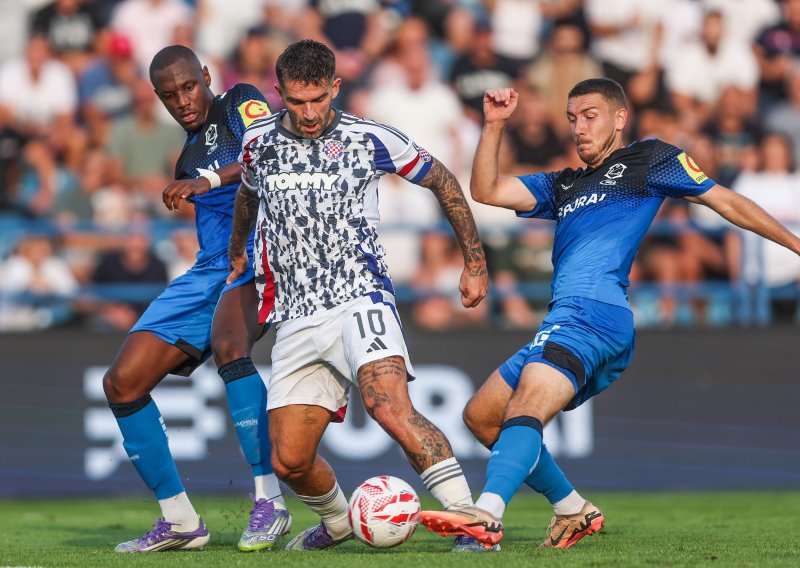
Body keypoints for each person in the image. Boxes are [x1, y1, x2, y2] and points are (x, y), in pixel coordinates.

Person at [419, 78, 800, 548]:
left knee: (527, 405)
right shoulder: (564, 184)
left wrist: (796, 245)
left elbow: (725, 200)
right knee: (481, 418)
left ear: (620, 118)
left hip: (597, 314)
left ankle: (487, 514)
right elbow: (487, 190)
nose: (579, 128)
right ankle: (572, 508)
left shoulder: (650, 159)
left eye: (590, 116)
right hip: (563, 318)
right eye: (572, 118)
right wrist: (494, 125)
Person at [226, 39, 490, 553]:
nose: (308, 113)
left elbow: (442, 179)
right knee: (290, 460)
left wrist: (474, 262)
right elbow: (248, 192)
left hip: (360, 299)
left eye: (318, 99)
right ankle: (341, 522)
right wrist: (238, 247)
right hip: (296, 316)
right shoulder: (258, 141)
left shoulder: (367, 137)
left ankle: (469, 520)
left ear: (335, 88)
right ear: (278, 93)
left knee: (388, 404)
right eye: (296, 101)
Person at [102, 45, 289, 553]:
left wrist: (203, 180)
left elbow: (267, 151)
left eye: (188, 86)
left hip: (257, 257)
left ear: (206, 76)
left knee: (231, 346)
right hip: (209, 270)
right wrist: (196, 177)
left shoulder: (239, 103)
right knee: (122, 383)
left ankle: (269, 501)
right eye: (169, 95)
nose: (183, 100)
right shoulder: (186, 152)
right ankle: (180, 522)